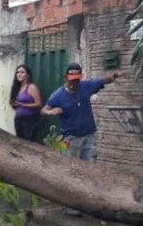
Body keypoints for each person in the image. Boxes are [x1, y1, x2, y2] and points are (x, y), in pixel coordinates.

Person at [41, 63, 122, 215]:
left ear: (80, 78)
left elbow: (103, 80)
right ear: (65, 78)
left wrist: (114, 75)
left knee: (89, 169)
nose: (74, 83)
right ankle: (70, 205)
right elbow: (43, 109)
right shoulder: (57, 96)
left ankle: (87, 204)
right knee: (71, 171)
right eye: (71, 79)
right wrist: (50, 112)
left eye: (76, 79)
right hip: (70, 139)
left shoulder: (86, 86)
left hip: (88, 137)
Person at [10, 64, 43, 141]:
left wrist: (23, 105)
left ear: (27, 75)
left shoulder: (31, 87)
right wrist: (13, 104)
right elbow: (15, 103)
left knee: (28, 143)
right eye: (17, 72)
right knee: (19, 142)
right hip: (18, 119)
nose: (19, 74)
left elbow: (39, 104)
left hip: (29, 119)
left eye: (22, 72)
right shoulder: (16, 88)